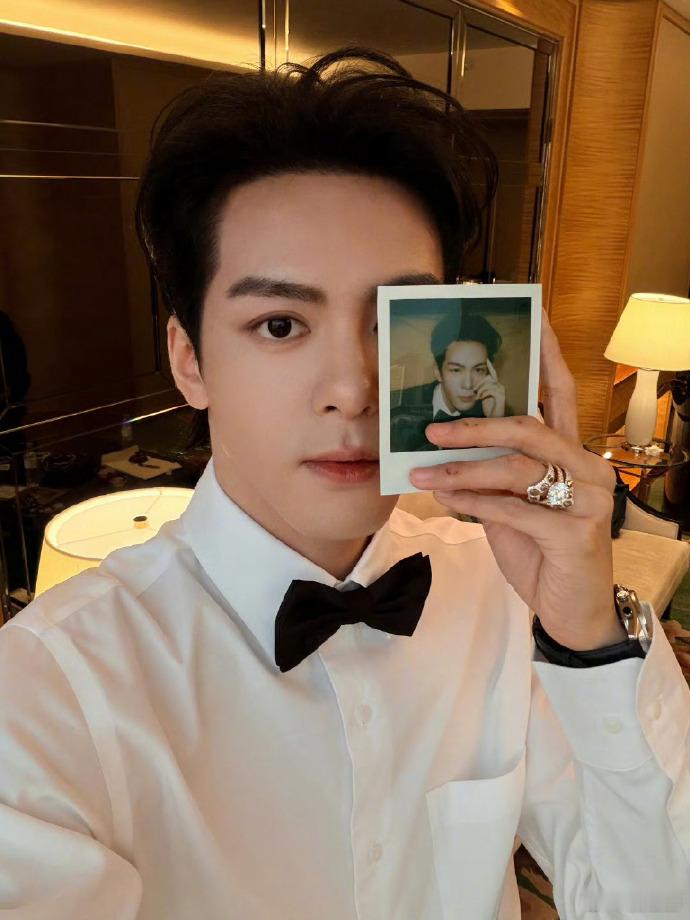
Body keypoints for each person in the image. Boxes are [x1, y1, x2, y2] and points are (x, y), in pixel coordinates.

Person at [0, 46, 688, 920]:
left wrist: (589, 634)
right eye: (280, 325)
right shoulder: (46, 691)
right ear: (189, 359)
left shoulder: (506, 593)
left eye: (393, 322)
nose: (353, 390)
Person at [390, 311, 507, 452]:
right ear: (437, 372)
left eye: (478, 370)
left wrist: (493, 423)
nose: (468, 384)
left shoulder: (495, 412)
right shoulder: (397, 413)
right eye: (456, 370)